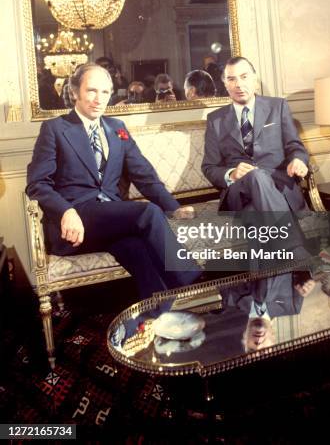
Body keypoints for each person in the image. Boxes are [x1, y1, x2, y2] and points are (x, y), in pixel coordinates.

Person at [26, 63, 200, 300]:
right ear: (75, 92)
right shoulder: (55, 129)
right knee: (147, 212)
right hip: (74, 224)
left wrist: (175, 208)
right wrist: (65, 211)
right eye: (92, 91)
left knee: (137, 251)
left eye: (105, 92)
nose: (99, 99)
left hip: (111, 221)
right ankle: (193, 282)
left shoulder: (117, 128)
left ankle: (156, 321)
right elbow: (37, 183)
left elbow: (145, 176)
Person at [202, 56, 309, 215]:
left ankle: (287, 240)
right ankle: (294, 240)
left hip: (278, 186)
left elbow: (295, 146)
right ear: (225, 85)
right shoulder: (215, 120)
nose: (238, 84)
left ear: (254, 80)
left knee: (255, 215)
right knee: (256, 175)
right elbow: (209, 167)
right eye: (231, 79)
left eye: (244, 77)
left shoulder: (277, 107)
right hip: (239, 193)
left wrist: (298, 160)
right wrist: (231, 174)